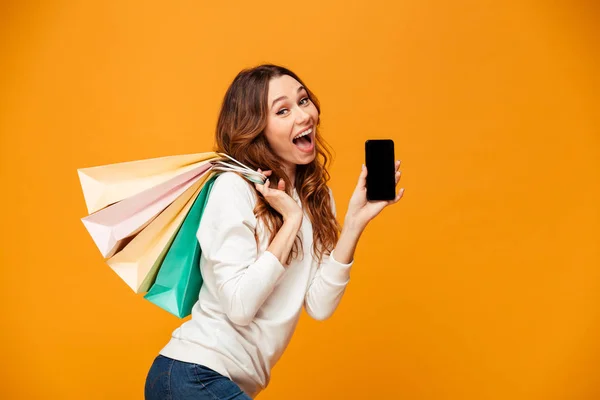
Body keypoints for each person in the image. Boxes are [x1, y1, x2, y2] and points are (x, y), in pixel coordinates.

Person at [144, 64, 404, 399]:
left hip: (228, 382)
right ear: (256, 129)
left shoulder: (316, 197)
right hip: (190, 374)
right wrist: (291, 222)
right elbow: (239, 306)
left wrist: (354, 223)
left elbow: (319, 305)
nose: (303, 114)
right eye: (283, 110)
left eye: (304, 100)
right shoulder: (233, 188)